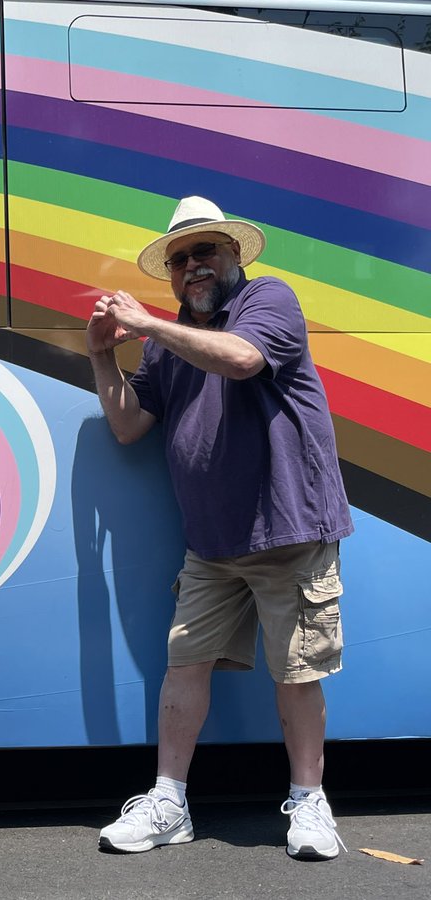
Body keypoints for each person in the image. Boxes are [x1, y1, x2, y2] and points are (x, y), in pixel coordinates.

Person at [86, 197, 353, 861]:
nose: (193, 266)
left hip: (289, 530)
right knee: (184, 665)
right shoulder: (167, 344)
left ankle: (311, 804)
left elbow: (239, 360)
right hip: (211, 542)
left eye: (205, 252)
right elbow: (127, 426)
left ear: (234, 256)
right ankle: (168, 802)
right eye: (180, 260)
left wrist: (144, 322)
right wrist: (100, 356)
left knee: (296, 672)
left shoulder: (269, 299)